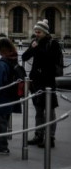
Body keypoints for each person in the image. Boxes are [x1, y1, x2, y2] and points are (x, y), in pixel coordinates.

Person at [22, 19, 61, 148]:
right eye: (35, 32)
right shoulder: (35, 42)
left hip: (48, 81)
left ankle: (50, 137)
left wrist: (37, 48)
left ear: (45, 32)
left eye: (38, 32)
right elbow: (24, 57)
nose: (36, 34)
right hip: (36, 81)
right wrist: (32, 48)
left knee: (49, 110)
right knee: (39, 110)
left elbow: (51, 60)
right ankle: (39, 135)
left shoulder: (53, 44)